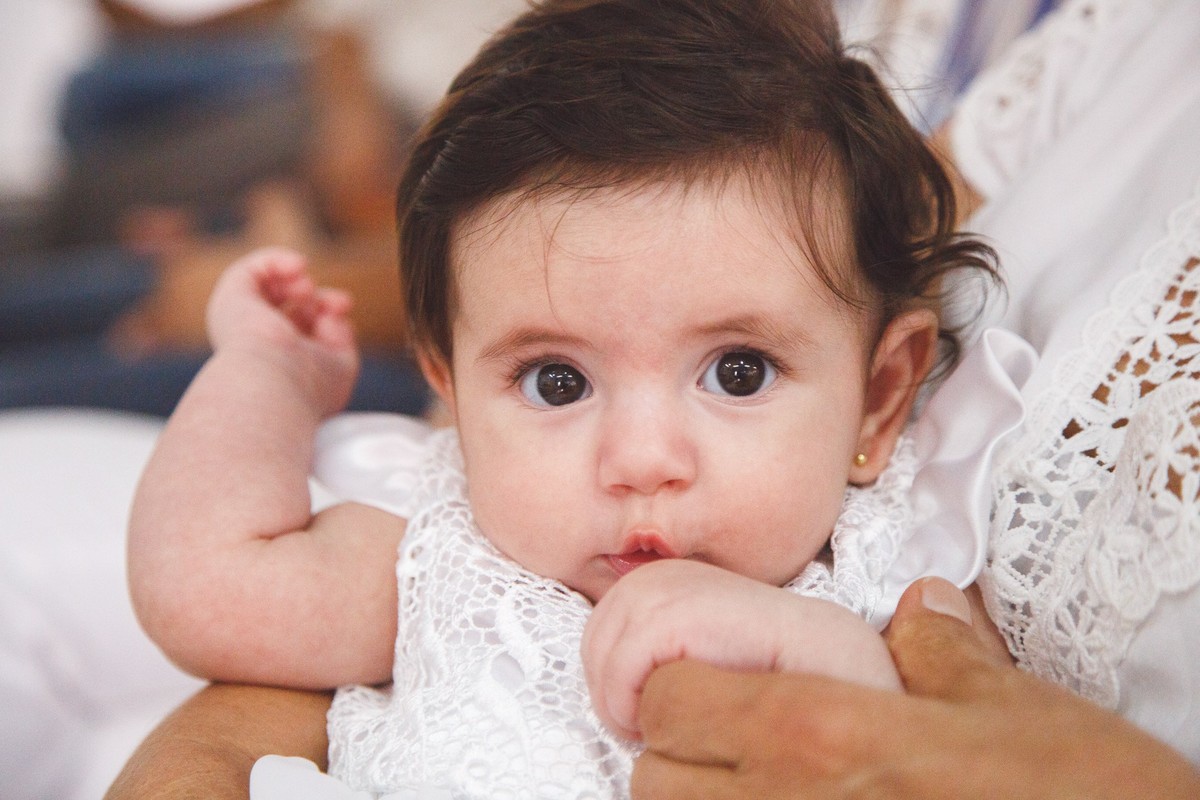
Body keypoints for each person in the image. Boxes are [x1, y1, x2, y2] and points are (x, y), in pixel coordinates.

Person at [120, 0, 1026, 796]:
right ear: (450, 385)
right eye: (558, 382)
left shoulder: (897, 559)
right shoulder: (446, 551)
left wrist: (797, 645)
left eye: (738, 372)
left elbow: (936, 755)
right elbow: (210, 590)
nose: (639, 460)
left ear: (879, 393)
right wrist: (266, 376)